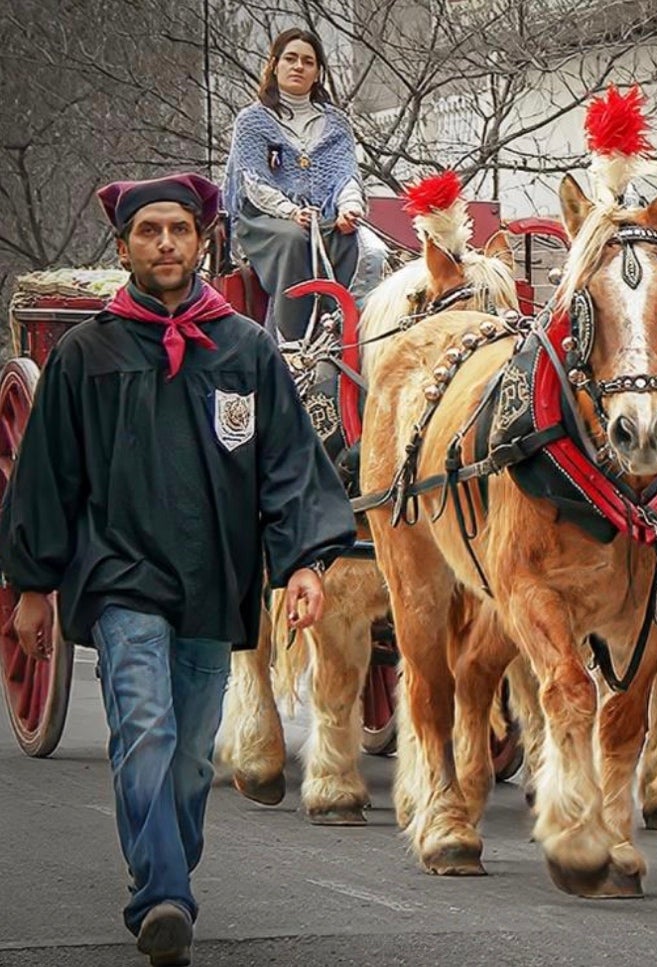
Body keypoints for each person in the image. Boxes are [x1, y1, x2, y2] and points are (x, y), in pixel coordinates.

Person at [0, 173, 356, 966]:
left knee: (194, 752)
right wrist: (30, 587)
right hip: (119, 571)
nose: (165, 243)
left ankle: (165, 864)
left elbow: (289, 465)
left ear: (202, 242)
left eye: (179, 230)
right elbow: (47, 475)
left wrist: (302, 561)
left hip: (211, 573)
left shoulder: (245, 349)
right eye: (149, 231)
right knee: (147, 726)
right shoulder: (88, 354)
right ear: (123, 246)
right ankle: (162, 893)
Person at [223, 27, 366, 343]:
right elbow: (253, 180)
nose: (298, 66)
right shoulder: (252, 120)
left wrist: (349, 208)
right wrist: (289, 212)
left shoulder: (337, 123)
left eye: (308, 61)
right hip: (265, 220)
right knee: (293, 240)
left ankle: (336, 333)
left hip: (323, 217)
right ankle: (291, 341)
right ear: (275, 65)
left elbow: (346, 175)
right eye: (290, 58)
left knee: (353, 242)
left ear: (317, 72)